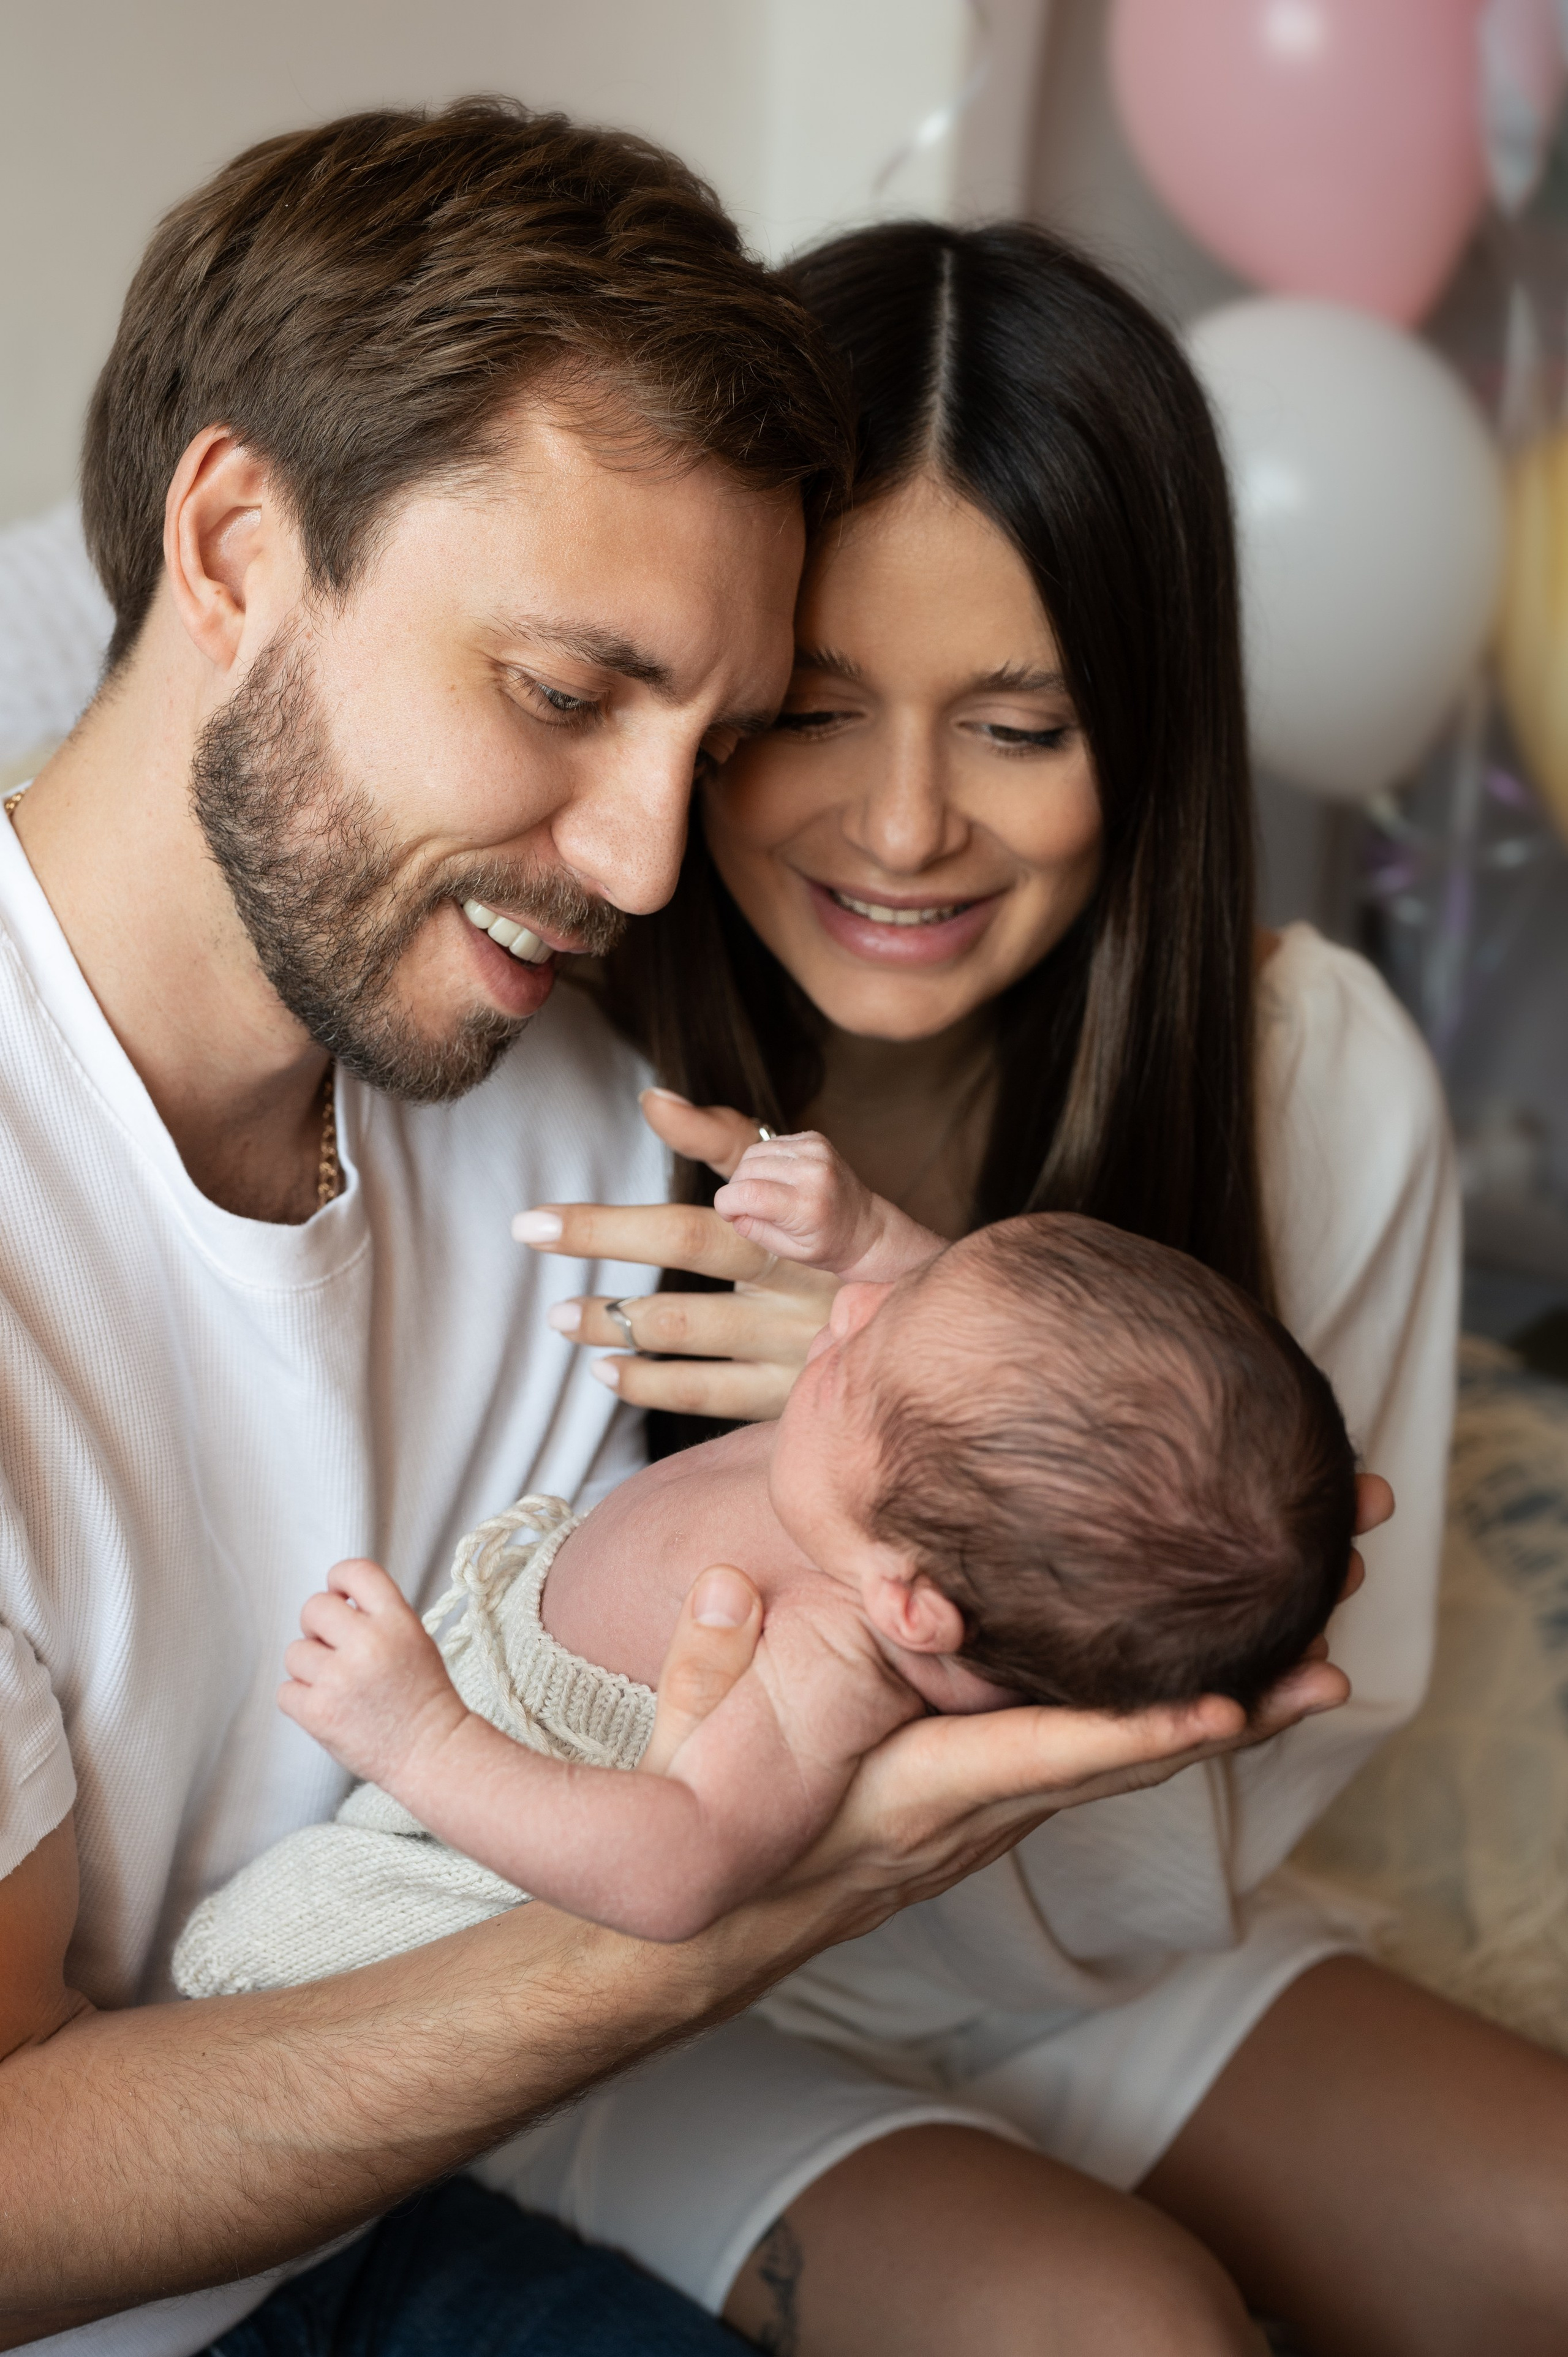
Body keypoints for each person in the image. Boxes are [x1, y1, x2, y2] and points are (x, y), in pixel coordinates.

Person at [0, 117, 1341, 2357]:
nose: (639, 860)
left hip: (386, 2211)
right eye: (560, 691)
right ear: (232, 541)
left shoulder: (567, 1112)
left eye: (709, 734)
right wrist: (745, 1905)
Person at [518, 222, 1568, 2357]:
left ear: (1149, 726)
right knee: (1115, 2327)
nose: (905, 826)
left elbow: (1227, 1807)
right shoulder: (550, 1071)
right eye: (814, 710)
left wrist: (929, 1418)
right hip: (648, 1980)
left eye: (1019, 723)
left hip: (1099, 1943)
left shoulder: (1313, 1075)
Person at [169, 1170, 1357, 1987]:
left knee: (247, 1959)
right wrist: (856, 1229)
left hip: (490, 1811)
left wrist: (417, 1736)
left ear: (908, 1606)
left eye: (851, 1359)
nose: (837, 1315)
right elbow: (965, 1354)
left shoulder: (825, 1664)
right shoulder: (949, 1493)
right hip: (503, 1613)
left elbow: (670, 1869)